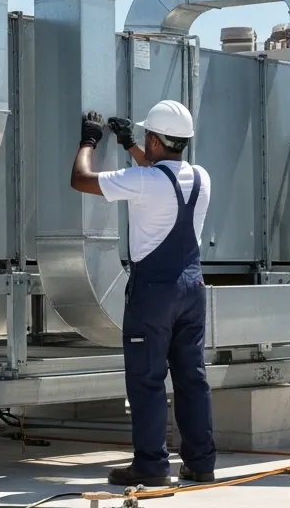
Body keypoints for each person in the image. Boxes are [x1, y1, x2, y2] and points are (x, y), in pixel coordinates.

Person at [68, 100, 216, 487]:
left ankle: (151, 466)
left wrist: (89, 141)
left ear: (154, 140)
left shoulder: (142, 181)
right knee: (192, 377)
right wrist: (130, 144)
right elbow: (161, 174)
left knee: (147, 379)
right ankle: (201, 464)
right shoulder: (201, 178)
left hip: (153, 292)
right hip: (192, 289)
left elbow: (81, 179)